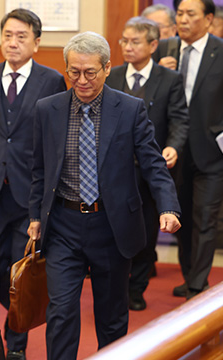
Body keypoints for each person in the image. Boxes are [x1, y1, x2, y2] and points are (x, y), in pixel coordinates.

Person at [28, 32, 181, 360]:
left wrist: (168, 206)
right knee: (61, 312)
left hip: (111, 226)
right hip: (63, 225)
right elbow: (39, 169)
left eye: (90, 73)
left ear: (107, 68)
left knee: (112, 318)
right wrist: (35, 217)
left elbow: (153, 164)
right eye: (73, 72)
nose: (81, 80)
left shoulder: (129, 109)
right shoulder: (47, 109)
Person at [0, 9, 66, 359]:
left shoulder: (52, 81)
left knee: (18, 271)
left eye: (21, 36)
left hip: (28, 193)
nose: (13, 42)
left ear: (36, 42)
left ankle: (17, 346)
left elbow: (56, 143)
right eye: (7, 35)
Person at [106, 17, 189, 311]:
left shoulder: (170, 79)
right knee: (112, 229)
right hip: (114, 170)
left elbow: (179, 119)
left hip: (151, 169)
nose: (127, 47)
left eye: (135, 42)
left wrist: (173, 147)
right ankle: (115, 284)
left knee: (145, 230)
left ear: (153, 45)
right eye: (124, 41)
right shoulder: (111, 76)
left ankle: (137, 287)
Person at [153, 0, 223, 300]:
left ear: (208, 19)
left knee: (205, 217)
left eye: (190, 14)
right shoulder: (164, 49)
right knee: (179, 218)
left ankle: (197, 284)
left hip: (211, 152)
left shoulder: (220, 52)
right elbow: (148, 94)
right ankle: (190, 276)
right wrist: (158, 72)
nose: (183, 20)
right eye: (179, 14)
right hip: (174, 150)